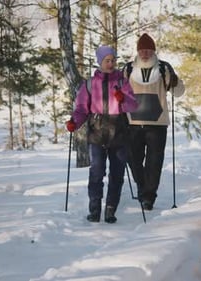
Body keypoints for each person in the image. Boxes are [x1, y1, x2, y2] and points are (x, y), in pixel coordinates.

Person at [66, 45, 138, 223]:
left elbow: (133, 105)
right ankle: (95, 209)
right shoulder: (89, 84)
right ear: (100, 62)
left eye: (113, 60)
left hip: (118, 130)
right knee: (97, 171)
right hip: (97, 132)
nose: (111, 63)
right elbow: (82, 108)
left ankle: (111, 209)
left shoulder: (122, 82)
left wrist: (124, 99)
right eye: (107, 60)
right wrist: (74, 122)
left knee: (117, 173)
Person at [123, 33, 185, 211]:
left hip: (157, 123)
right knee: (133, 160)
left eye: (148, 50)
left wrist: (175, 82)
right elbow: (118, 93)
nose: (145, 53)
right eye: (142, 50)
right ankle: (143, 188)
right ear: (137, 51)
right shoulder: (127, 69)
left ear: (153, 50)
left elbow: (178, 92)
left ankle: (149, 197)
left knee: (154, 162)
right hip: (132, 123)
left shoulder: (164, 68)